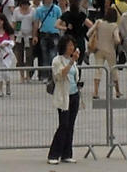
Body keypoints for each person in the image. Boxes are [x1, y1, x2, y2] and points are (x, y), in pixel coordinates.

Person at [47, 34, 80, 165]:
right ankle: (54, 153)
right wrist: (71, 62)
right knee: (63, 125)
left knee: (70, 125)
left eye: (73, 45)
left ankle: (67, 153)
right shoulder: (57, 60)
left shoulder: (74, 61)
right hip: (63, 96)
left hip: (74, 94)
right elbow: (60, 75)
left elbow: (75, 76)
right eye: (70, 45)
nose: (72, 48)